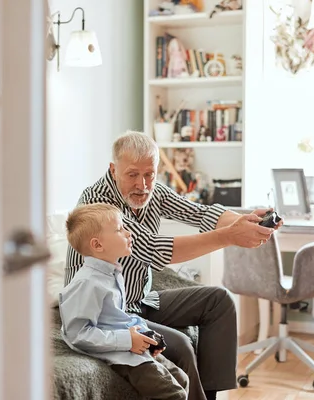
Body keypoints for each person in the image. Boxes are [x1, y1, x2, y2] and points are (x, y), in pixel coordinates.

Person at [65, 131, 283, 400]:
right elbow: (154, 250)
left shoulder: (152, 190)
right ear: (113, 169)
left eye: (150, 174)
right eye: (132, 174)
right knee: (180, 345)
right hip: (108, 312)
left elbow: (199, 213)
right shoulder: (99, 205)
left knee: (219, 300)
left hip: (141, 299)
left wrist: (245, 220)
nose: (143, 185)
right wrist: (229, 236)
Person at [59, 203, 189, 400]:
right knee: (174, 394)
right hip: (118, 353)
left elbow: (117, 317)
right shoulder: (87, 283)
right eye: (120, 229)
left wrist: (146, 335)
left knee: (182, 378)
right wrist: (128, 340)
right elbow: (78, 333)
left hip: (130, 344)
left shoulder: (112, 273)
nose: (129, 233)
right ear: (97, 245)